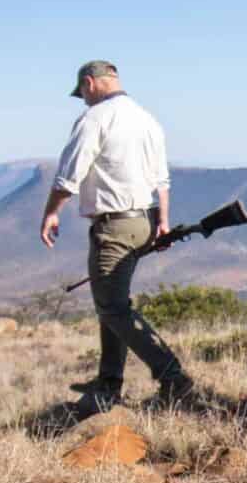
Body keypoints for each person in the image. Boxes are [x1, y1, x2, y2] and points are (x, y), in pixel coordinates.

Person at [38, 58, 199, 410]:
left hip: (114, 225)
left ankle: (173, 377)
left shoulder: (95, 118)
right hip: (143, 219)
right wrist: (163, 222)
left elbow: (70, 173)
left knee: (111, 306)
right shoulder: (147, 119)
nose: (83, 99)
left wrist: (52, 211)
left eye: (82, 92)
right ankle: (108, 382)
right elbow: (162, 179)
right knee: (110, 303)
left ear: (89, 84)